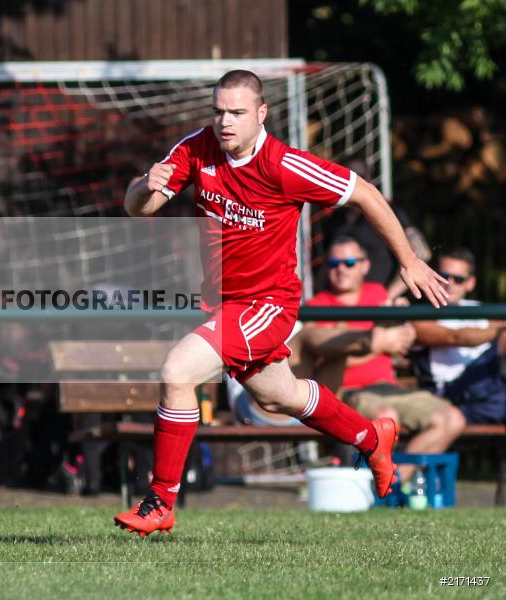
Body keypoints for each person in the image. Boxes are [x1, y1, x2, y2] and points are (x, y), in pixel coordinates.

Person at [114, 70, 449, 536]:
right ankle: (373, 438)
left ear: (261, 113)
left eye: (237, 113)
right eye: (218, 112)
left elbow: (366, 193)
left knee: (177, 371)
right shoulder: (197, 147)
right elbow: (139, 208)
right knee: (279, 395)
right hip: (223, 305)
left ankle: (160, 502)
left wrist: (408, 260)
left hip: (267, 305)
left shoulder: (285, 165)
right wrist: (143, 185)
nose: (225, 122)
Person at [306, 237, 466, 483]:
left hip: (387, 388)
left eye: (349, 262)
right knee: (387, 416)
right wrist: (380, 345)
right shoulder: (316, 307)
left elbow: (402, 341)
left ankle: (396, 482)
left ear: (365, 266)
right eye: (334, 263)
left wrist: (402, 326)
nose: (341, 269)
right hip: (346, 391)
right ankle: (382, 487)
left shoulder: (378, 294)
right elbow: (320, 366)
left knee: (452, 419)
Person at [412, 248, 506, 424]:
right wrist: (499, 330)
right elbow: (455, 338)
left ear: (470, 283)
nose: (450, 283)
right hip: (450, 394)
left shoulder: (479, 308)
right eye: (444, 276)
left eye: (459, 279)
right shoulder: (423, 314)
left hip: (488, 389)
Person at [319, 158, 432, 302]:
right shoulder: (335, 219)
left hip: (379, 301)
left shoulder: (387, 211)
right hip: (341, 302)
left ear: (370, 178)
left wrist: (388, 297)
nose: (354, 183)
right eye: (347, 177)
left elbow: (422, 253)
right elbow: (327, 264)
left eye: (360, 177)